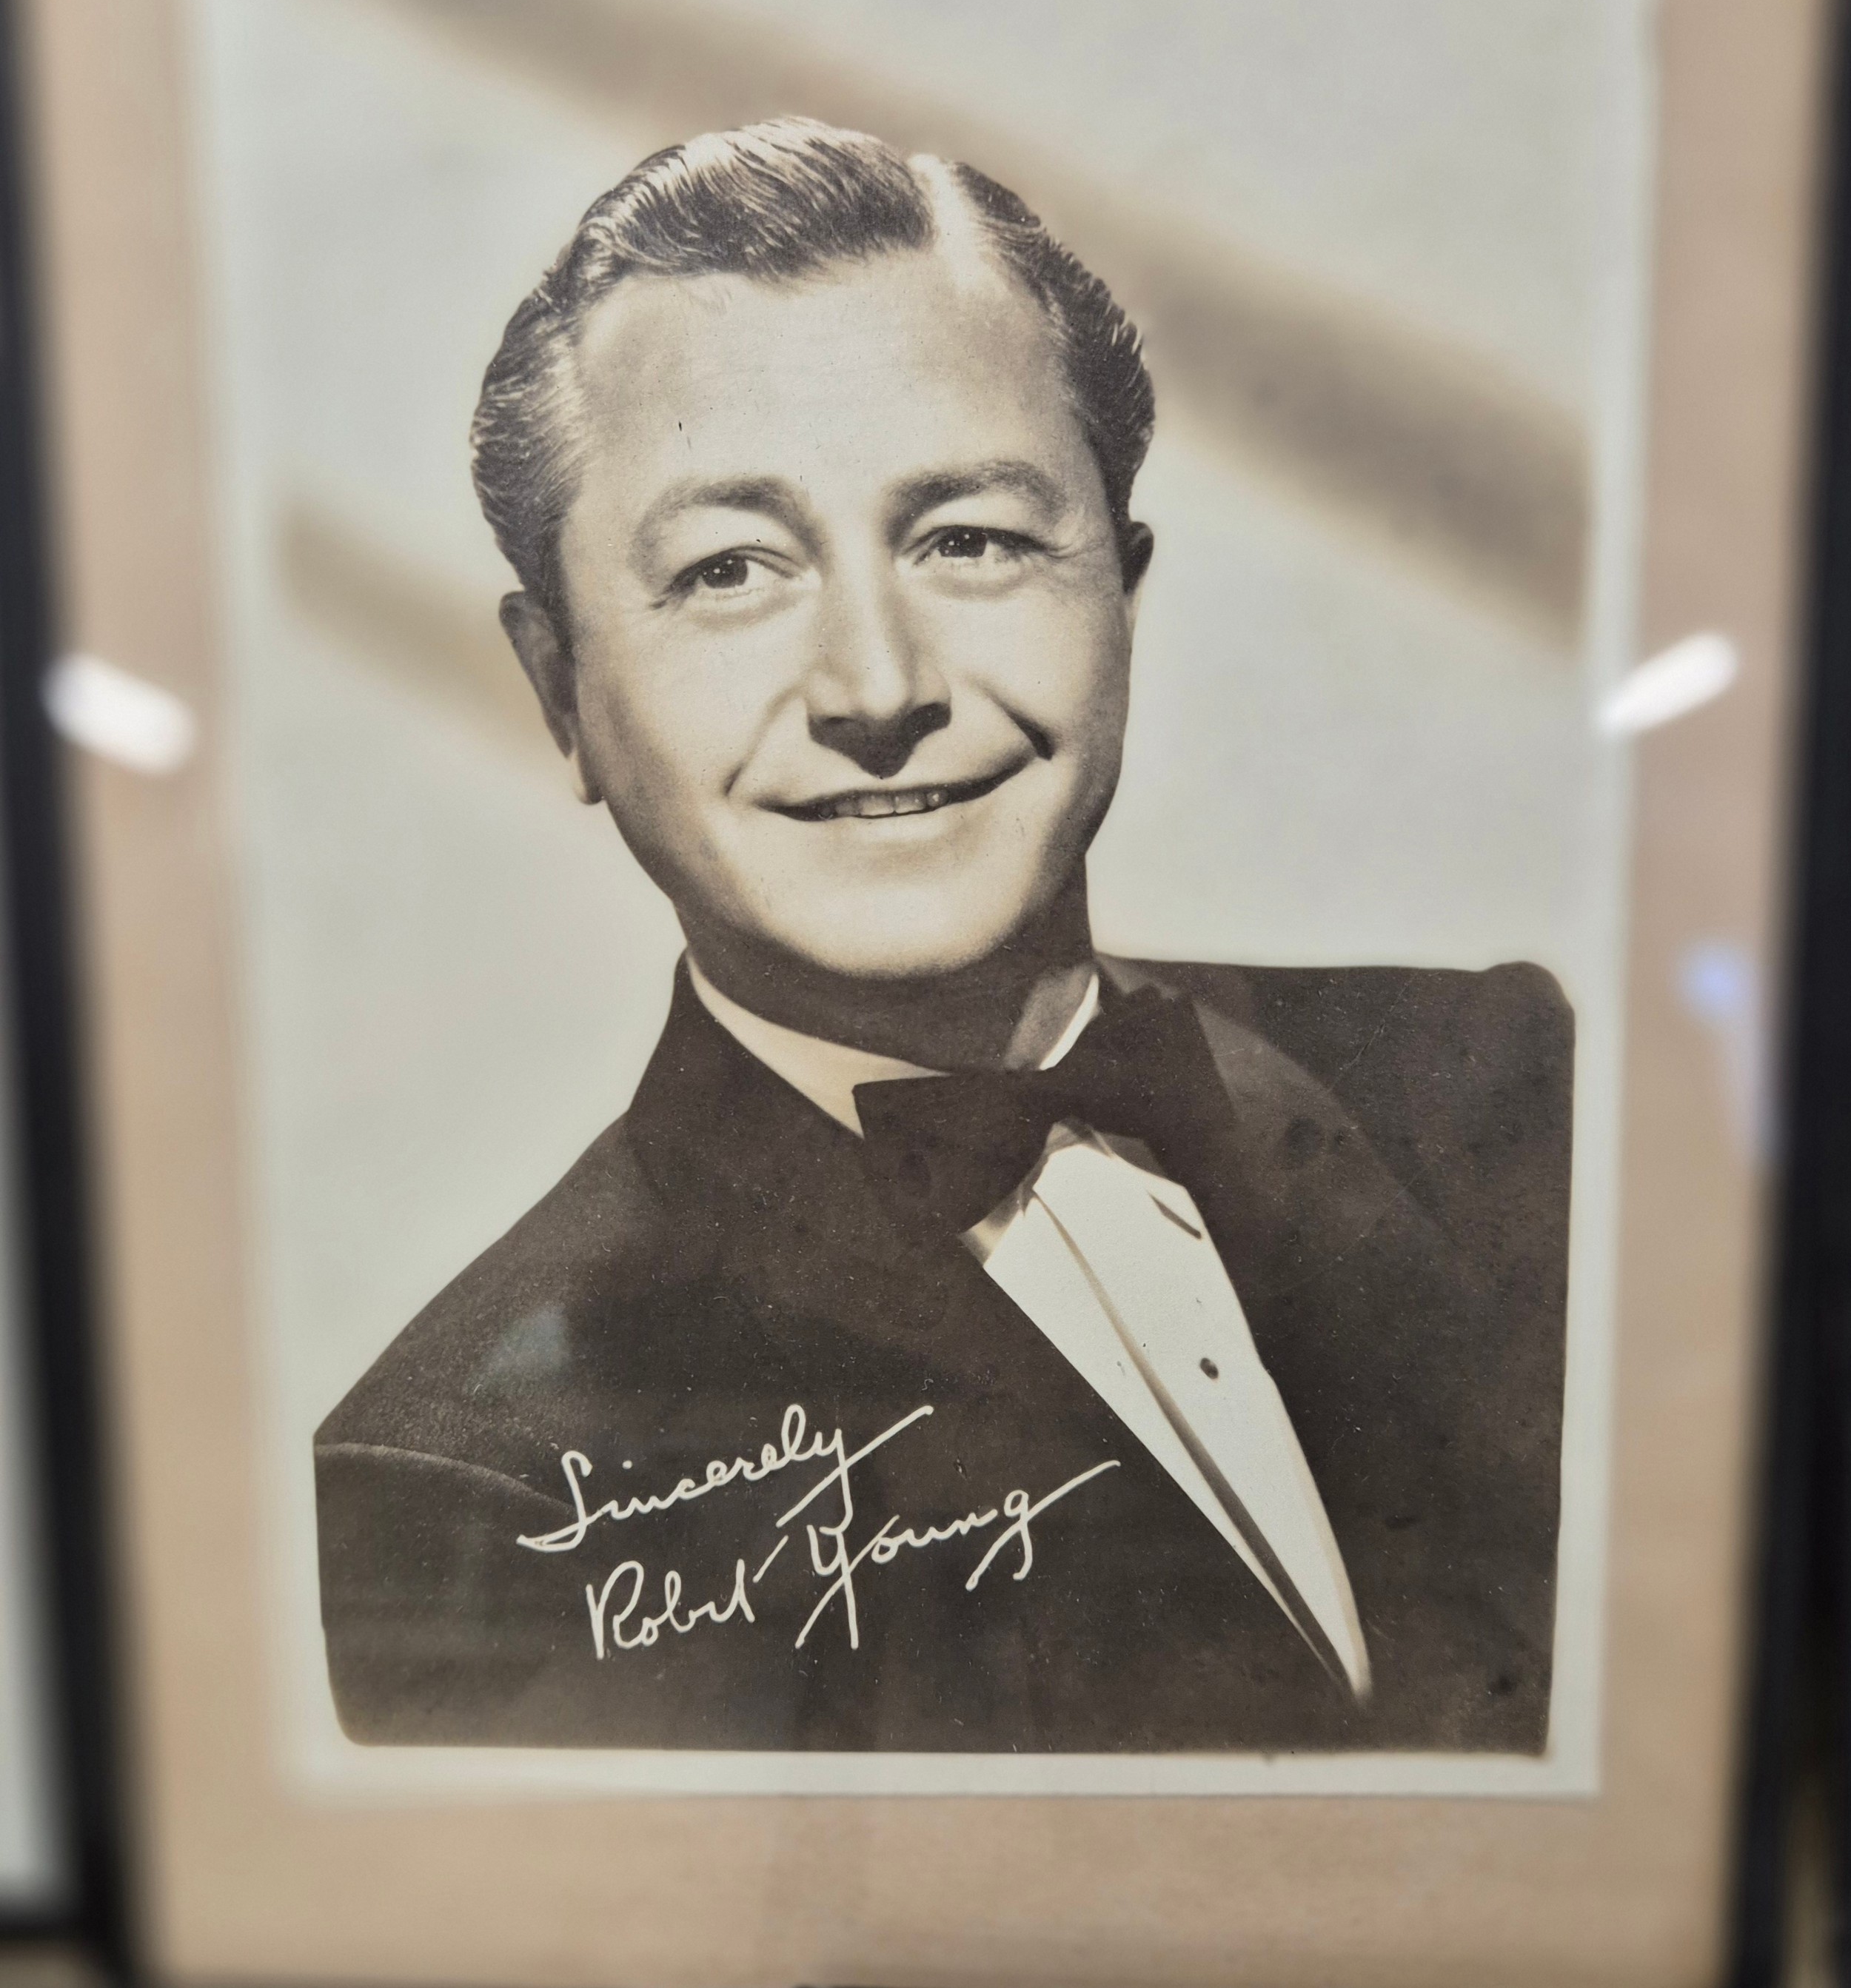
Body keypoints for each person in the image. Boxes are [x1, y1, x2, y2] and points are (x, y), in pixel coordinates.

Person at [315, 118, 1571, 1755]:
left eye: (968, 538)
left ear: (1121, 597)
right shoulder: (474, 1482)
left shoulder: (1516, 1091)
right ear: (562, 692)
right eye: (729, 568)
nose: (877, 685)